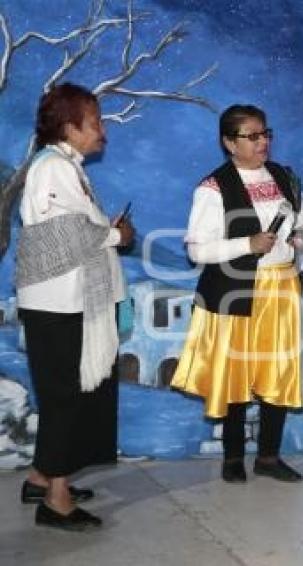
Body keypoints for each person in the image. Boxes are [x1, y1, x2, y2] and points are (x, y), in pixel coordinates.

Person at [171, 104, 303, 483]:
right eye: (252, 136)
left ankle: (269, 456)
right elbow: (197, 251)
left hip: (281, 287)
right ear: (228, 142)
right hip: (233, 291)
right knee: (234, 372)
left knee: (278, 370)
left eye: (265, 133)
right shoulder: (212, 188)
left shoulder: (286, 177)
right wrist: (247, 244)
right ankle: (233, 457)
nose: (262, 142)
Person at [16, 83, 134, 530]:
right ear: (71, 128)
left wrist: (104, 230)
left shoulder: (66, 168)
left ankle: (41, 478)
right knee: (65, 398)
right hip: (58, 303)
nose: (102, 131)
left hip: (68, 301)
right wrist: (114, 235)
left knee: (68, 396)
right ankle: (56, 501)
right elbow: (61, 237)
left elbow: (71, 228)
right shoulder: (52, 169)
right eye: (96, 122)